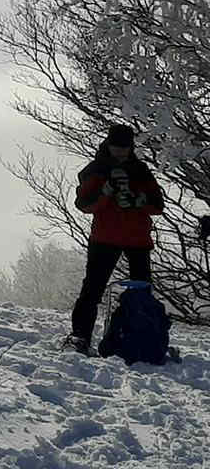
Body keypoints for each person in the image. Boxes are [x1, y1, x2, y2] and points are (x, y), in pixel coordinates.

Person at [66, 123, 164, 354]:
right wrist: (106, 194)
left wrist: (140, 201)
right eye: (117, 147)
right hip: (107, 237)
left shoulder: (140, 170)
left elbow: (158, 205)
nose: (120, 151)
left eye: (125, 147)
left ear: (131, 147)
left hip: (134, 238)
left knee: (140, 292)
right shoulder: (97, 170)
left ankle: (140, 338)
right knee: (93, 289)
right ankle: (80, 337)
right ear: (108, 145)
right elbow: (83, 205)